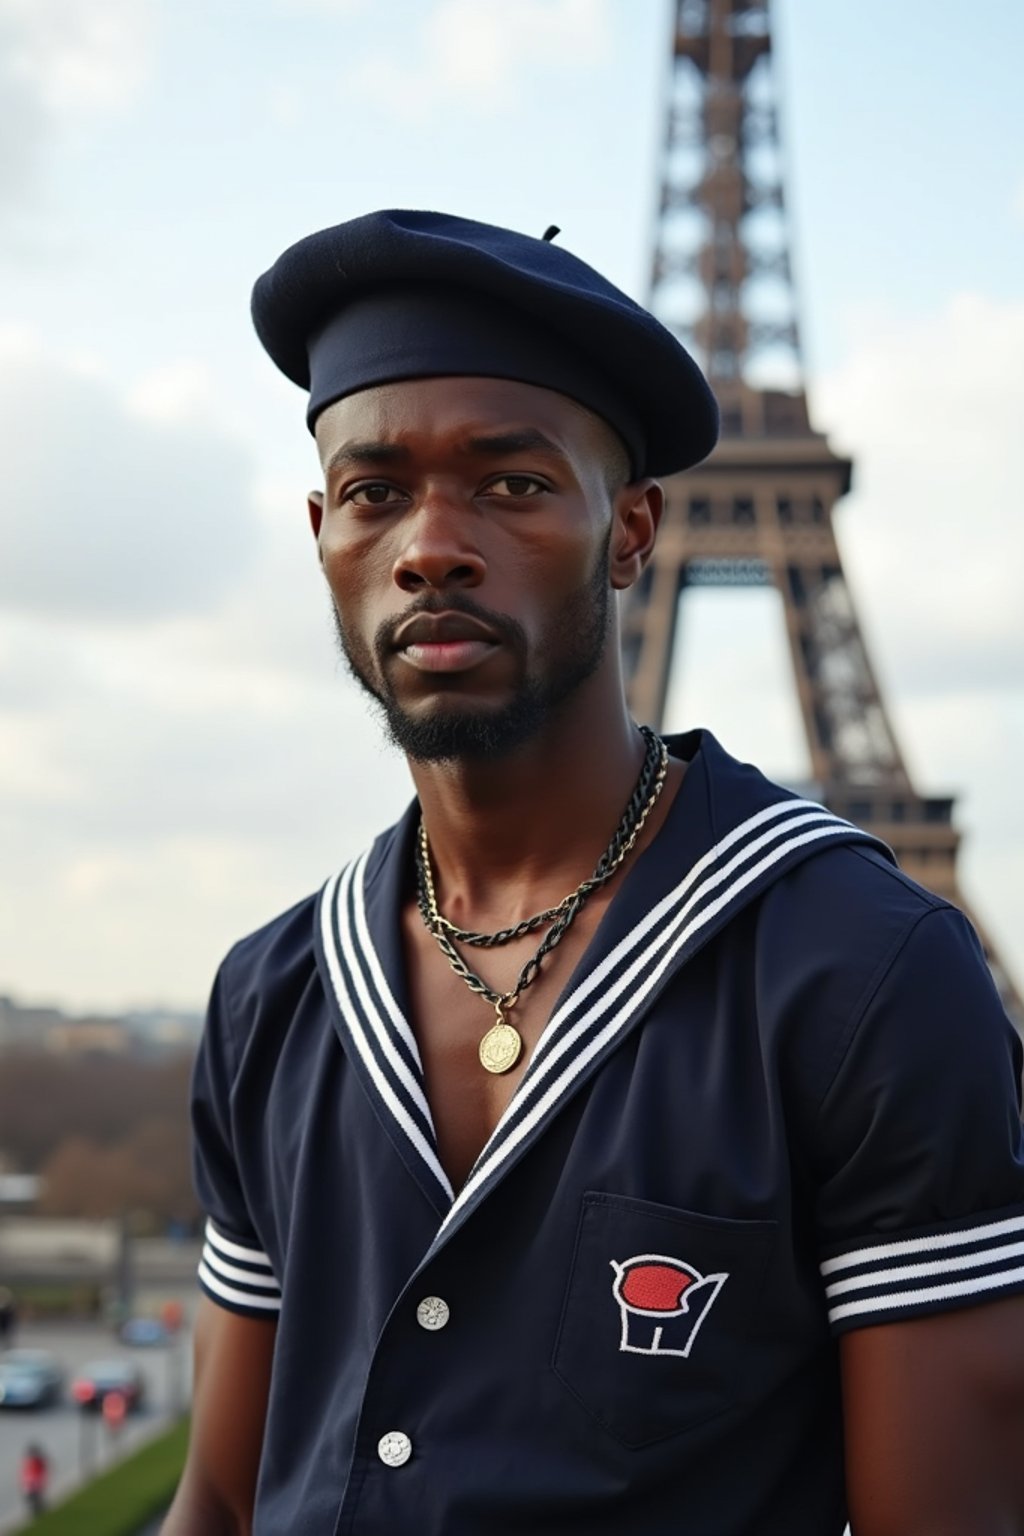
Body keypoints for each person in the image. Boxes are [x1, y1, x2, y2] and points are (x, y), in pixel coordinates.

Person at [162, 210, 1024, 1536]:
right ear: (324, 529)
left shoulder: (868, 978)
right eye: (378, 492)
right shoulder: (266, 994)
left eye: (511, 484)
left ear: (631, 535)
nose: (431, 545)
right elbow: (218, 1503)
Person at [19, 1443, 49, 1517]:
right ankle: (37, 1511)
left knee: (35, 1498)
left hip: (34, 1483)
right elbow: (26, 1473)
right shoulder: (32, 1461)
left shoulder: (36, 1461)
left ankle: (38, 1511)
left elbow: (41, 1471)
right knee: (33, 1498)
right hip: (32, 1483)